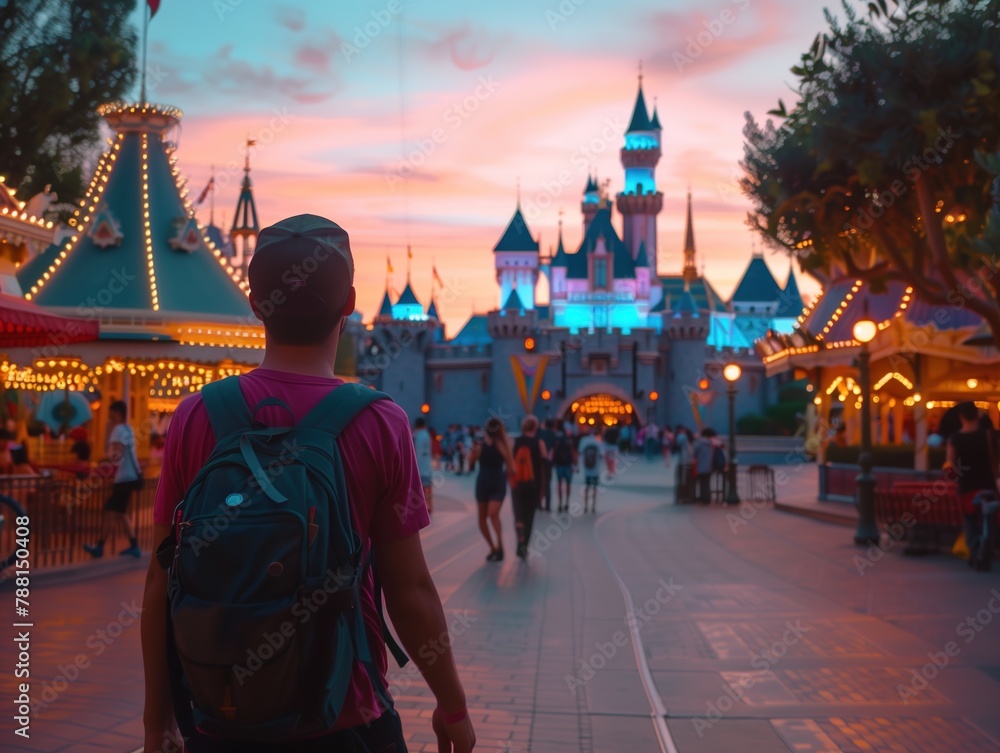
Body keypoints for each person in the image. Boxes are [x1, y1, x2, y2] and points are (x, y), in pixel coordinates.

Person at [140, 215, 474, 753]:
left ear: (255, 304)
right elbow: (409, 590)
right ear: (350, 304)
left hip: (220, 713)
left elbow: (159, 583)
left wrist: (158, 726)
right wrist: (451, 705)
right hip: (345, 715)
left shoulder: (196, 416)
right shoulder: (380, 422)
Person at [83, 400, 143, 558]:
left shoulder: (117, 430)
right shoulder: (128, 429)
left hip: (123, 478)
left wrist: (99, 465)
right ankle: (134, 545)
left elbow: (116, 454)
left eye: (110, 412)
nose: (108, 415)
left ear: (117, 413)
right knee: (121, 512)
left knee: (109, 510)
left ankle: (100, 547)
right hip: (131, 476)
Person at [947, 402, 999, 572]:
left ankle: (974, 551)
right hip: (988, 485)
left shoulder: (954, 439)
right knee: (990, 518)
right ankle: (987, 549)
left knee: (969, 520)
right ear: (977, 415)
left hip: (967, 487)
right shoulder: (987, 435)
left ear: (961, 417)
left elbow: (951, 464)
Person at [476, 417, 514, 561]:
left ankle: (499, 545)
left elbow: (511, 465)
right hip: (487, 482)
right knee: (482, 518)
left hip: (495, 482)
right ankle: (493, 547)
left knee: (492, 514)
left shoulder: (502, 444)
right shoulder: (482, 444)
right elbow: (471, 461)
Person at [511, 415, 547, 559]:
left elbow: (511, 463)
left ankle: (519, 541)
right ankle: (525, 545)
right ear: (535, 427)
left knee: (518, 514)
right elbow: (545, 464)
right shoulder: (539, 442)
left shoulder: (517, 442)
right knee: (529, 516)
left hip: (517, 484)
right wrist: (544, 487)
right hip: (534, 485)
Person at [550, 423, 577, 513]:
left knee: (559, 483)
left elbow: (553, 450)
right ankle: (567, 502)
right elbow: (573, 452)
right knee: (568, 484)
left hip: (559, 464)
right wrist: (575, 463)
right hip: (568, 464)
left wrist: (552, 461)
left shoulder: (557, 439)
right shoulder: (569, 440)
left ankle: (560, 503)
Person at [577, 426, 604, 513]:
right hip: (595, 469)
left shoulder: (584, 440)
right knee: (594, 488)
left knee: (586, 488)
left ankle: (585, 506)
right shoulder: (598, 441)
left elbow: (580, 452)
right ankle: (593, 506)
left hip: (586, 469)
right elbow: (601, 455)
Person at [413, 417, 434, 514]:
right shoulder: (426, 434)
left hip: (420, 467)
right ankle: (430, 506)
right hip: (427, 467)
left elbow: (418, 452)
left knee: (420, 490)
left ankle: (424, 509)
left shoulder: (418, 436)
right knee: (428, 488)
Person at [537, 418, 557, 511]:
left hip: (540, 461)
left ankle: (539, 504)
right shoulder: (553, 434)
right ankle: (547, 505)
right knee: (548, 483)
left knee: (540, 482)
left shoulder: (541, 433)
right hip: (549, 461)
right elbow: (555, 446)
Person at [692, 428, 716, 504]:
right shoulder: (711, 443)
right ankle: (707, 497)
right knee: (706, 483)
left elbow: (694, 453)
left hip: (699, 465)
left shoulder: (698, 442)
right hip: (709, 465)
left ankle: (701, 497)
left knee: (699, 483)